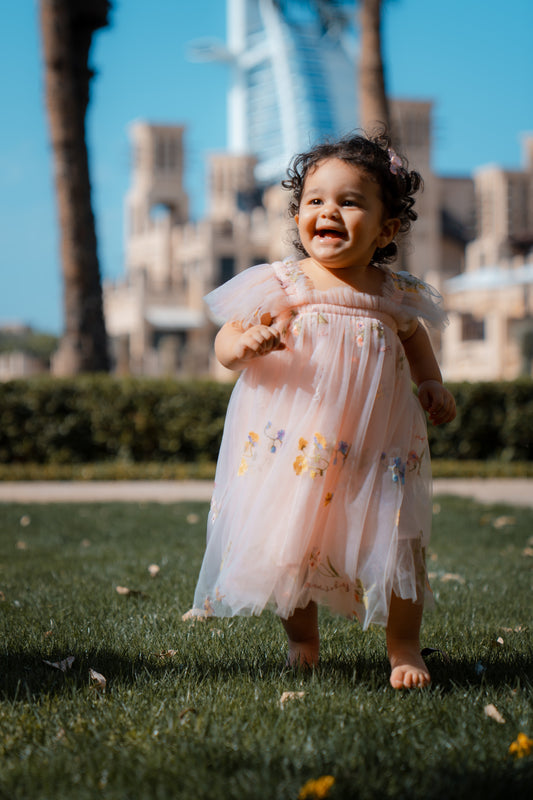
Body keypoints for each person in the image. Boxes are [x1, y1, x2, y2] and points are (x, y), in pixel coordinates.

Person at [187, 131, 456, 689]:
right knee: (294, 541)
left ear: (386, 229)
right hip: (301, 450)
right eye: (315, 200)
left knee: (399, 539)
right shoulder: (283, 283)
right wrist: (243, 346)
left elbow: (415, 339)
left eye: (349, 201)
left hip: (379, 446)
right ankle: (302, 641)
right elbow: (226, 340)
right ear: (298, 214)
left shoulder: (394, 292)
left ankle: (404, 646)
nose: (327, 211)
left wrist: (431, 383)